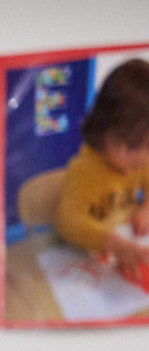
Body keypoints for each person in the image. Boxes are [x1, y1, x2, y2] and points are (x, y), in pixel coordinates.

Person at [53, 58, 149, 284]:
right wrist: (113, 244)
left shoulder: (141, 159)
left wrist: (147, 207)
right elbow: (67, 222)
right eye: (131, 146)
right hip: (86, 260)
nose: (141, 158)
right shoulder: (83, 170)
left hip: (126, 252)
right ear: (103, 128)